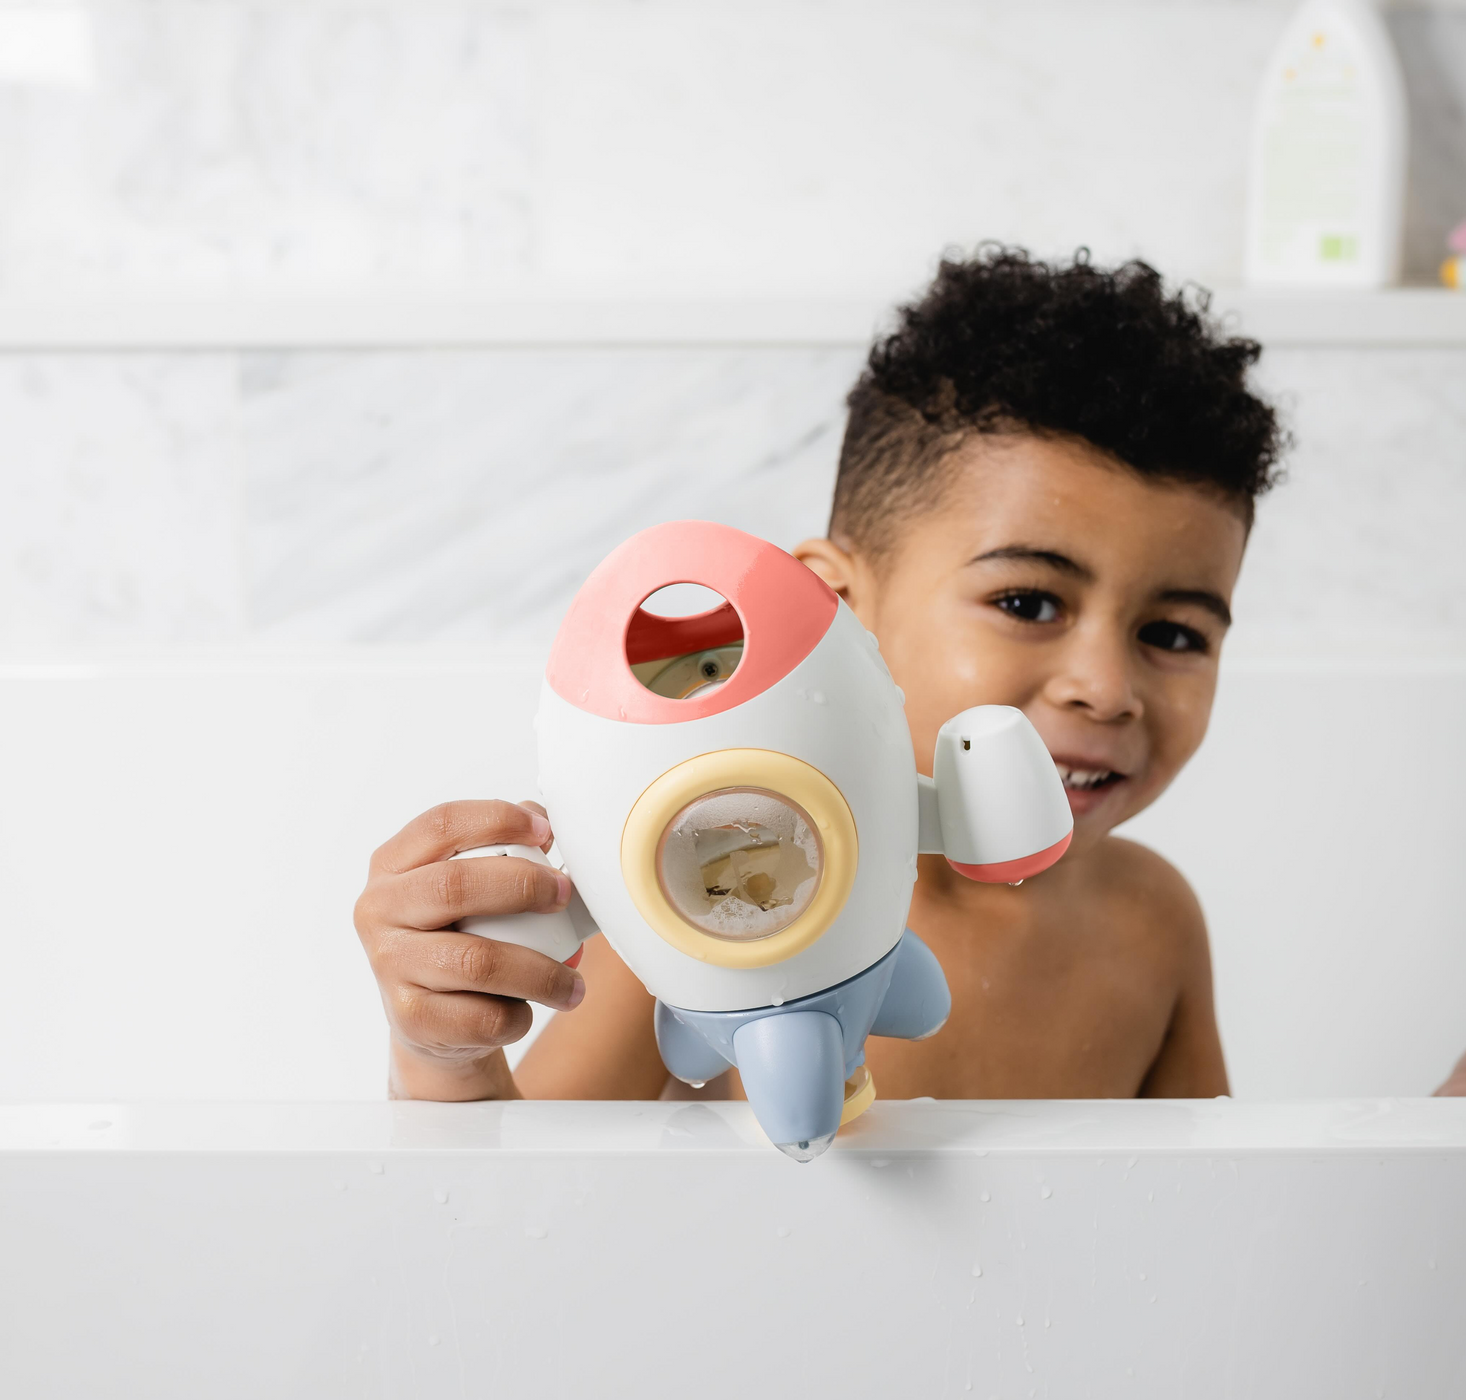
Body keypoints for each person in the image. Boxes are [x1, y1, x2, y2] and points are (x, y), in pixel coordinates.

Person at [355, 247, 1287, 1106]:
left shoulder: (1153, 922)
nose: (1106, 686)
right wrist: (445, 1054)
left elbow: (1211, 1219)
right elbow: (530, 1211)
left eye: (1172, 631)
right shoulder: (709, 881)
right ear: (838, 612)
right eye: (1030, 603)